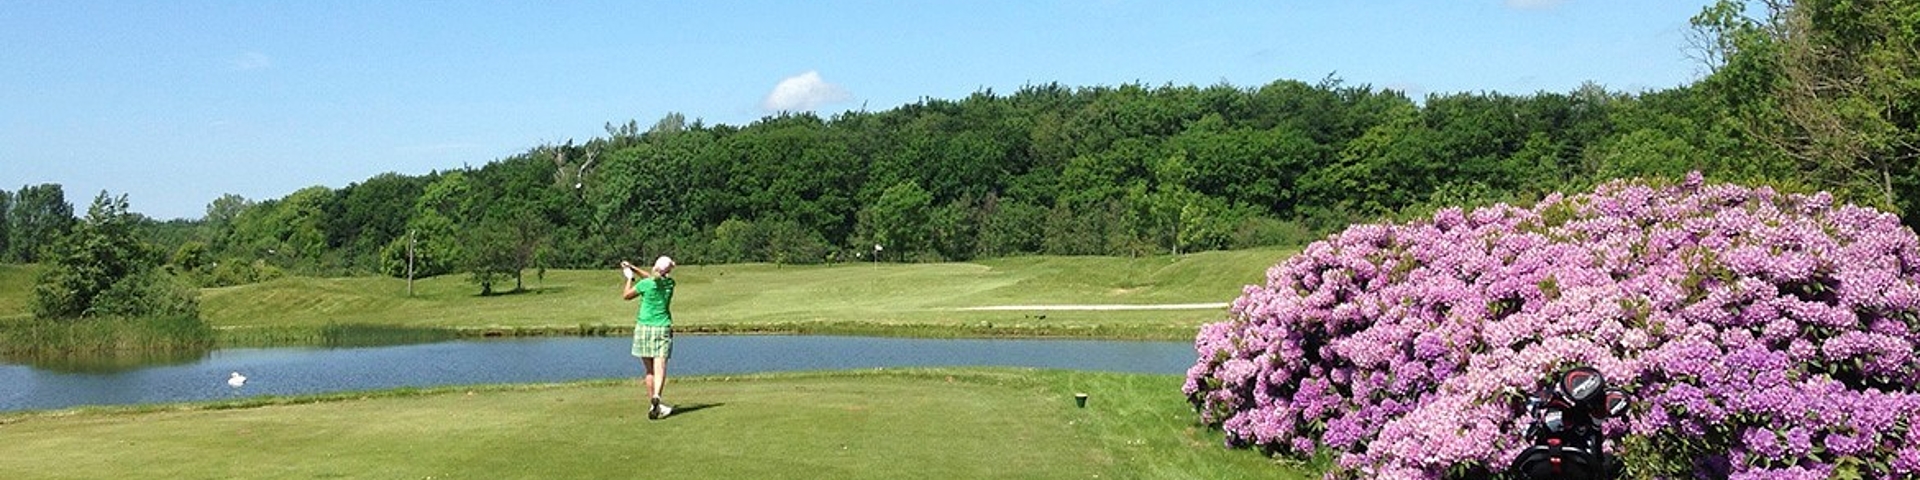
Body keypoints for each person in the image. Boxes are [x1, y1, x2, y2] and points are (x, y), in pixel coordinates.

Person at [622, 255, 677, 419]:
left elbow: (626, 295)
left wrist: (629, 278)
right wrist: (633, 267)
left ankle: (654, 404)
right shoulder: (670, 284)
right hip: (662, 328)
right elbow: (653, 278)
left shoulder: (645, 285)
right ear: (668, 270)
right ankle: (657, 399)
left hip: (643, 328)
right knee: (660, 367)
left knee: (649, 370)